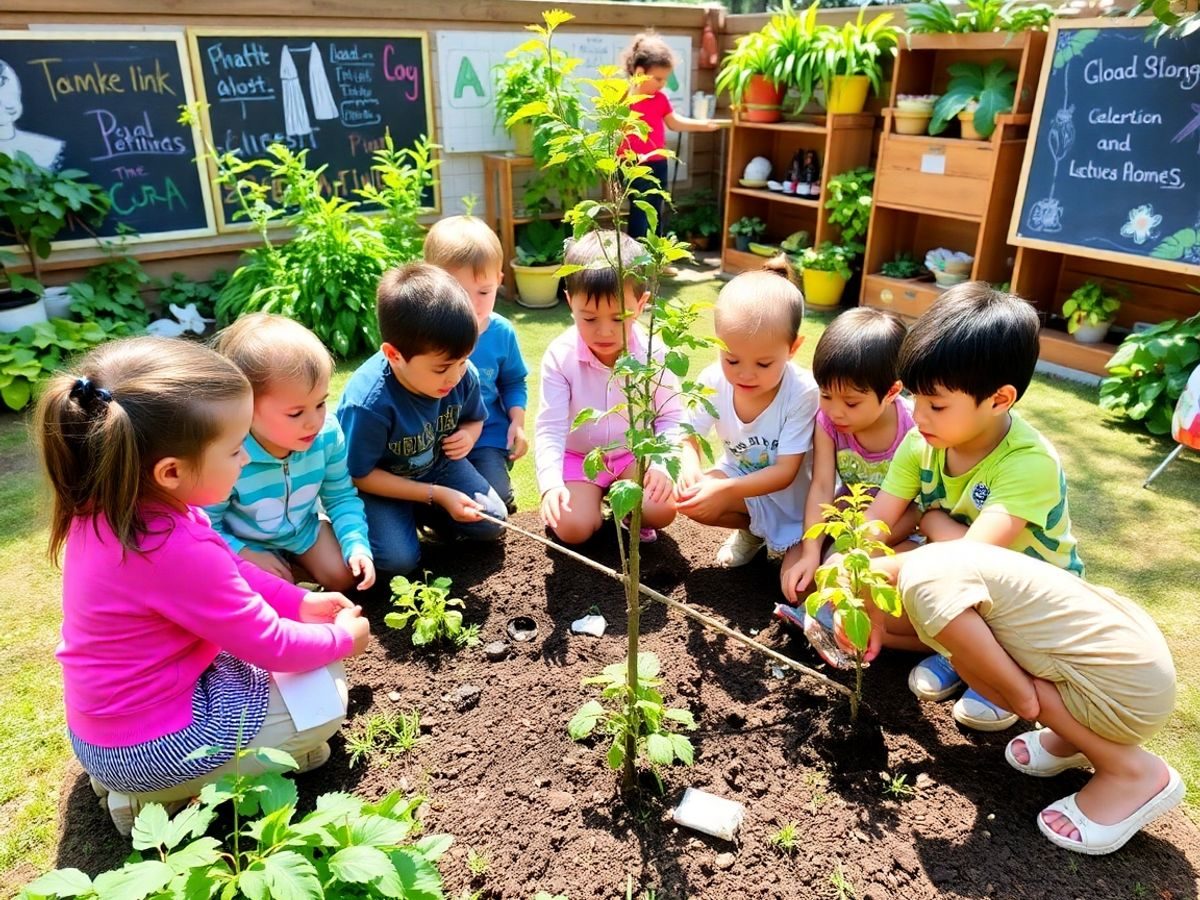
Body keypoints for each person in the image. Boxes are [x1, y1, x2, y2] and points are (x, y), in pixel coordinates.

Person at [38, 337, 370, 835]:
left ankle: (132, 783)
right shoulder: (172, 549)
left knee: (276, 662)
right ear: (171, 471)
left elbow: (235, 577)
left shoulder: (117, 510)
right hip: (149, 750)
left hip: (106, 731)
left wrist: (300, 600)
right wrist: (344, 639)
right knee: (325, 702)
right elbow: (271, 644)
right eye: (236, 449)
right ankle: (152, 798)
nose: (244, 460)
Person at [867, 542, 1181, 856]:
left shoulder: (926, 591)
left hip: (1131, 694)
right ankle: (1073, 739)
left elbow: (1023, 701)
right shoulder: (931, 558)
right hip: (1138, 659)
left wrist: (970, 667)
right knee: (1019, 641)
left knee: (991, 672)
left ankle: (1131, 772)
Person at [865, 282, 1082, 732]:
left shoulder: (1028, 463)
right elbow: (875, 523)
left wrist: (932, 523)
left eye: (937, 404)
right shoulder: (921, 440)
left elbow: (973, 564)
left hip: (1029, 606)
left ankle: (1000, 675)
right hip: (964, 586)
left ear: (1000, 399)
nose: (918, 415)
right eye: (914, 398)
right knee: (870, 591)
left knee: (913, 583)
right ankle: (956, 651)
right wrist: (844, 570)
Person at [336, 263, 506, 576]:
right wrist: (436, 495)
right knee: (397, 562)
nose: (455, 376)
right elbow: (359, 475)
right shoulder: (368, 404)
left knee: (492, 521)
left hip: (438, 464)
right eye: (442, 368)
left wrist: (469, 434)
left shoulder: (461, 375)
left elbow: (473, 419)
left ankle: (426, 515)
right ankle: (407, 514)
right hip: (381, 483)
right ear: (394, 355)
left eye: (463, 361)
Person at [205, 313, 375, 593]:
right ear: (245, 407)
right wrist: (243, 553)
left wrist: (356, 545)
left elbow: (341, 496)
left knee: (346, 576)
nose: (314, 421)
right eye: (295, 413)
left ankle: (292, 568)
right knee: (272, 592)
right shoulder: (229, 454)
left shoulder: (327, 435)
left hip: (304, 531)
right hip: (245, 540)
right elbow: (205, 524)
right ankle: (282, 572)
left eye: (320, 404)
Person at [535, 230, 680, 544]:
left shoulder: (655, 355)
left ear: (641, 305)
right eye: (588, 318)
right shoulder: (560, 356)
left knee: (661, 508)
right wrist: (550, 483)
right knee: (573, 528)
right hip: (578, 458)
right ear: (569, 302)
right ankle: (586, 505)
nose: (604, 331)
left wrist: (660, 464)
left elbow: (672, 416)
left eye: (619, 318)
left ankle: (626, 511)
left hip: (632, 456)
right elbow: (550, 426)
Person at [677, 262, 819, 568]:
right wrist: (689, 466)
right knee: (692, 499)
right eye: (732, 359)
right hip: (740, 480)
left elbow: (785, 472)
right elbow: (686, 432)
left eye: (764, 364)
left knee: (791, 583)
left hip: (793, 499)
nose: (746, 374)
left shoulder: (803, 392)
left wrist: (723, 488)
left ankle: (784, 540)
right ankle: (751, 532)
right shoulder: (713, 380)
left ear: (793, 347)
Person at [780, 307, 916, 601]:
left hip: (898, 527)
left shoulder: (914, 429)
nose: (835, 411)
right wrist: (811, 551)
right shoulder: (827, 421)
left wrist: (854, 548)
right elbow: (822, 486)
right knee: (797, 575)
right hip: (846, 516)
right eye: (826, 395)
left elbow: (918, 509)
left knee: (859, 579)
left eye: (851, 402)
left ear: (892, 392)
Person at [424, 215, 528, 513]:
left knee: (497, 501)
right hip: (435, 444)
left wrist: (517, 423)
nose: (472, 304)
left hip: (487, 437)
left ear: (499, 281)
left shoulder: (501, 332)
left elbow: (513, 381)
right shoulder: (426, 336)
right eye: (458, 292)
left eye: (484, 291)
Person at [618, 33, 720, 240]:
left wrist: (703, 125)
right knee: (640, 210)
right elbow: (615, 129)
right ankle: (637, 262)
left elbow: (674, 122)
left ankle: (655, 258)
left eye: (665, 79)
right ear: (639, 72)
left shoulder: (660, 99)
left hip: (658, 162)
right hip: (632, 165)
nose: (662, 84)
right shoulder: (624, 98)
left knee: (656, 209)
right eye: (658, 78)